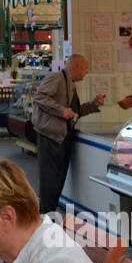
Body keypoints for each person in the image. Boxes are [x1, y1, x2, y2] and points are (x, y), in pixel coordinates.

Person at [31, 54, 105, 214]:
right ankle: (45, 216)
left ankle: (48, 214)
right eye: (85, 68)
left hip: (61, 139)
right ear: (77, 67)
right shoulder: (57, 78)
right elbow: (40, 97)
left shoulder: (70, 84)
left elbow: (74, 112)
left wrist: (93, 105)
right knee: (50, 180)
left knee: (57, 180)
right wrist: (61, 111)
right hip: (50, 138)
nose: (86, 73)